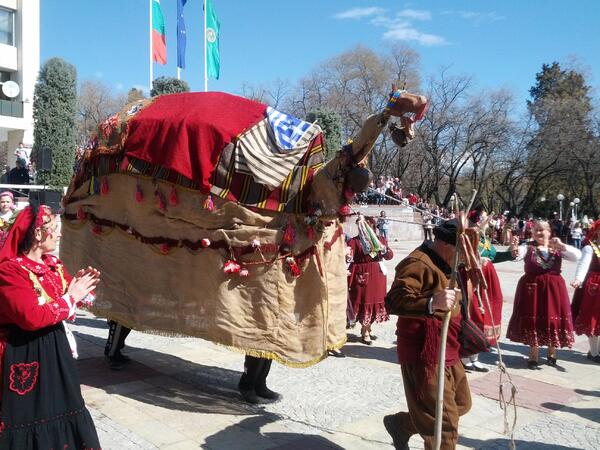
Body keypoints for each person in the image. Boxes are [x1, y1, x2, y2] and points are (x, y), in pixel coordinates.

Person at [0, 203, 101, 449]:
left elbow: (66, 297)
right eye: (54, 228)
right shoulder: (10, 271)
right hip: (24, 353)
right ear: (38, 234)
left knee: (63, 405)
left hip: (55, 351)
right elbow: (31, 317)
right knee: (29, 415)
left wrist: (81, 287)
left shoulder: (52, 264)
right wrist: (72, 296)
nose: (59, 233)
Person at [383, 219, 471, 450]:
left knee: (461, 403)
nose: (461, 258)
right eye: (459, 252)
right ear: (443, 244)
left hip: (448, 347)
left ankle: (401, 424)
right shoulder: (418, 263)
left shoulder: (446, 261)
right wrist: (432, 302)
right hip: (425, 353)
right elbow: (393, 301)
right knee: (443, 425)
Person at [506, 220, 581, 369]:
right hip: (532, 289)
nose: (539, 233)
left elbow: (577, 256)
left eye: (542, 230)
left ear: (549, 232)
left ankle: (552, 353)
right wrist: (513, 247)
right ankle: (533, 355)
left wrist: (562, 246)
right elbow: (516, 255)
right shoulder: (528, 248)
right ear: (532, 233)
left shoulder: (558, 248)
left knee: (552, 319)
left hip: (554, 290)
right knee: (534, 319)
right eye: (536, 230)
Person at [460, 210, 511, 373]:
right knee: (473, 313)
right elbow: (463, 258)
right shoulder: (467, 236)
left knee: (485, 315)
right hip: (472, 279)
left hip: (488, 280)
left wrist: (510, 254)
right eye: (484, 218)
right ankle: (464, 357)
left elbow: (493, 257)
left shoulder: (484, 238)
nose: (488, 221)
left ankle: (475, 357)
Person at [348, 216, 393, 344]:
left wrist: (384, 249)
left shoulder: (380, 240)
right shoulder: (355, 241)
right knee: (365, 301)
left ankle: (368, 328)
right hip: (362, 275)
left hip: (377, 275)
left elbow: (389, 256)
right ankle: (365, 330)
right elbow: (349, 257)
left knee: (375, 301)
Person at [570, 220, 600, 363]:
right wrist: (578, 279)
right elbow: (583, 265)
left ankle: (595, 350)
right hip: (593, 288)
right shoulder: (590, 248)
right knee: (592, 318)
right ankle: (594, 353)